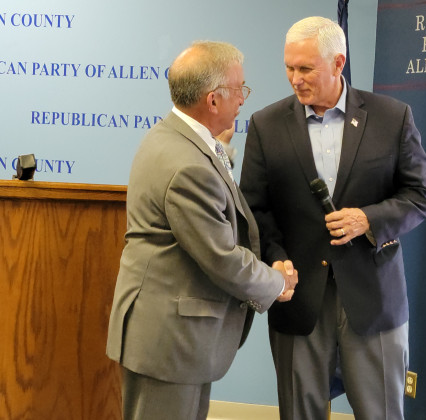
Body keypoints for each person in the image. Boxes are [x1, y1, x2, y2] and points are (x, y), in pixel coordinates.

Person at [240, 17, 426, 420]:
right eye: (289, 67)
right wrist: (275, 259)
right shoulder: (266, 124)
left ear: (338, 63)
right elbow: (255, 208)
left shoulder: (391, 116)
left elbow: (423, 195)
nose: (295, 79)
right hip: (298, 298)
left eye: (306, 68)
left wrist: (369, 219)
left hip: (373, 298)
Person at [106, 40, 298, 420]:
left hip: (172, 338)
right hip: (170, 341)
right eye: (240, 89)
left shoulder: (176, 138)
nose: (244, 98)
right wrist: (276, 282)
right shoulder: (188, 165)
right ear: (212, 101)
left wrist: (222, 153)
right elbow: (221, 256)